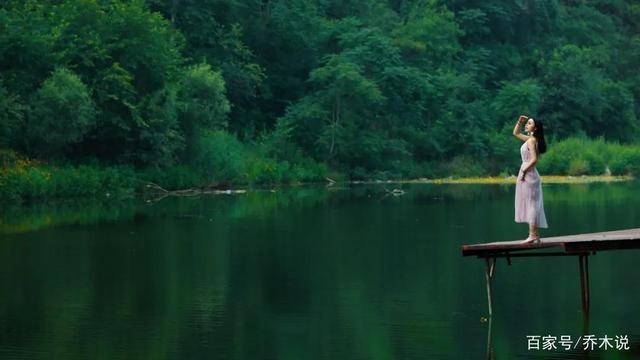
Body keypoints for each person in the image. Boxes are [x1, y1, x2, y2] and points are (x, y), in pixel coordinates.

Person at [513, 115, 548, 243]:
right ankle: (535, 235)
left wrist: (523, 171)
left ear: (535, 128)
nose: (526, 125)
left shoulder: (532, 140)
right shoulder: (530, 139)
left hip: (529, 174)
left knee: (531, 204)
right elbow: (516, 133)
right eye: (526, 123)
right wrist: (519, 122)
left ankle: (532, 235)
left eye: (529, 123)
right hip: (529, 173)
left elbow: (533, 159)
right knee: (531, 203)